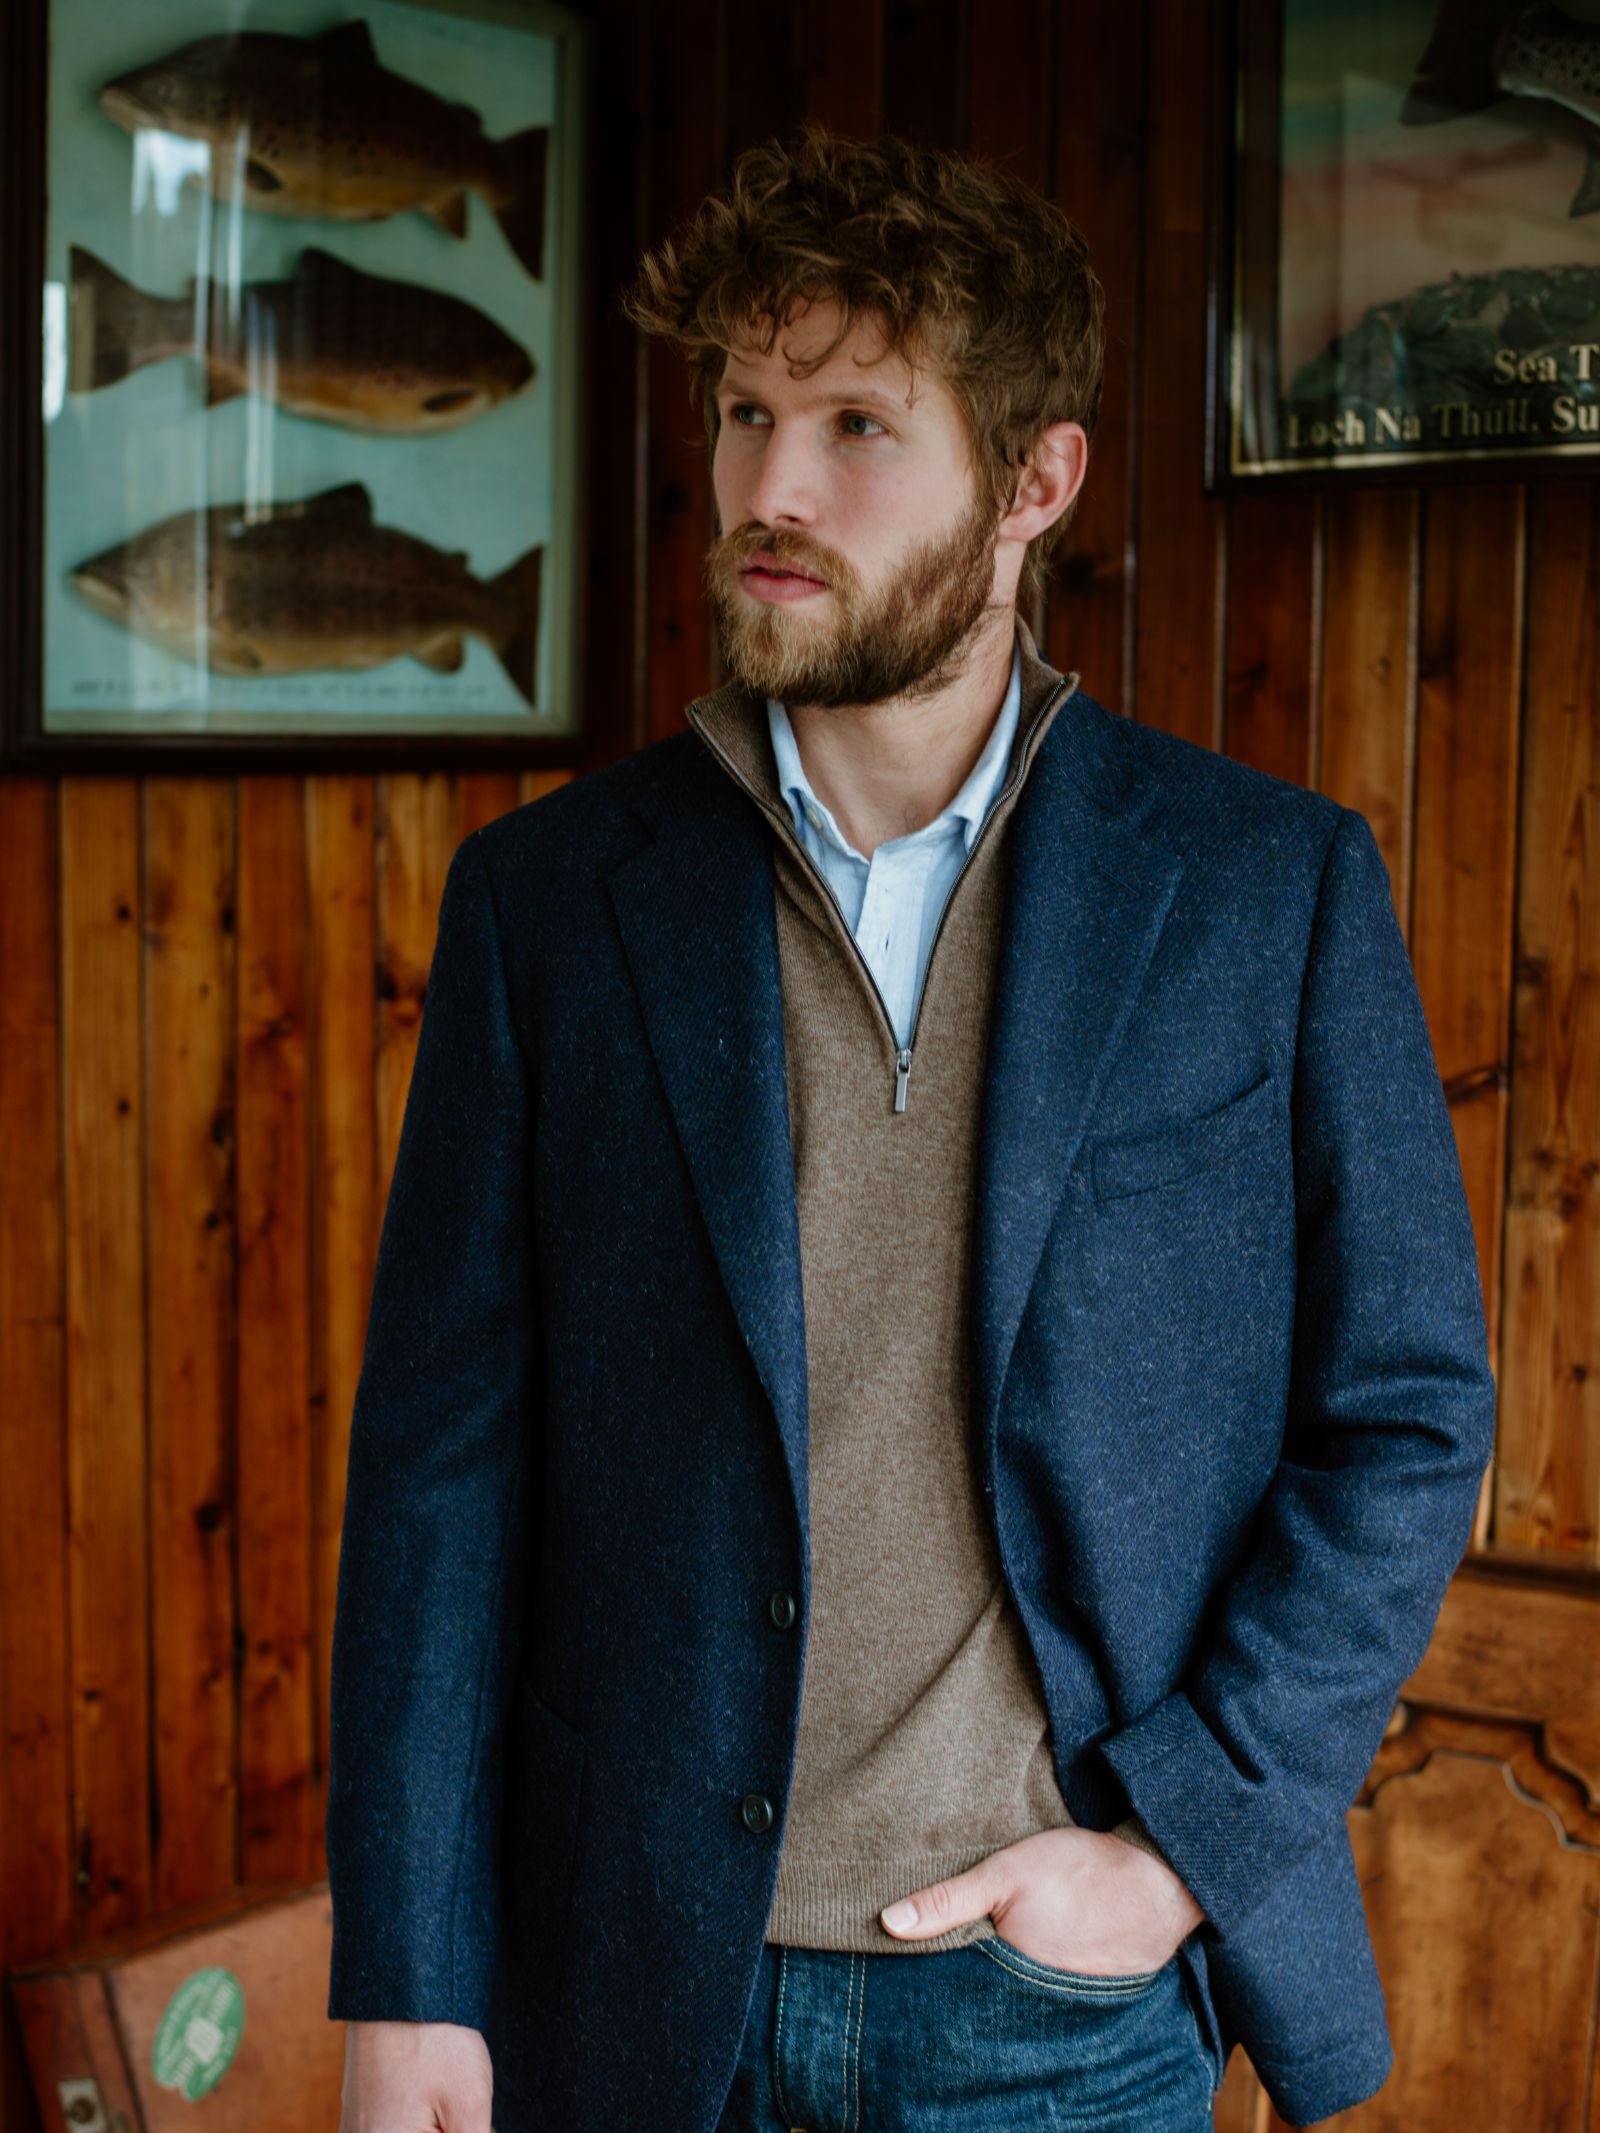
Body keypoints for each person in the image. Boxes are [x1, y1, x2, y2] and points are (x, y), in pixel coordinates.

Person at [324, 124, 1497, 2133]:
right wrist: (406, 1974)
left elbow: (1401, 1413)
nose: (767, 487)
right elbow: (443, 1470)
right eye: (744, 409)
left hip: (1047, 2006)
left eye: (857, 423)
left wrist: (1172, 1845)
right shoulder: (546, 901)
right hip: (623, 1986)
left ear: (1033, 480)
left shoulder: (1260, 889)